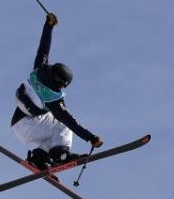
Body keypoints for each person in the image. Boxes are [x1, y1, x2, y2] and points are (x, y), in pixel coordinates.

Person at [11, 12, 104, 169]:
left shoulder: (39, 70)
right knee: (62, 125)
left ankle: (39, 157)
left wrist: (48, 26)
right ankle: (61, 155)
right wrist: (91, 138)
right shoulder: (52, 97)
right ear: (61, 84)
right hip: (28, 126)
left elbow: (43, 48)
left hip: (17, 125)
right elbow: (69, 122)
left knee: (53, 128)